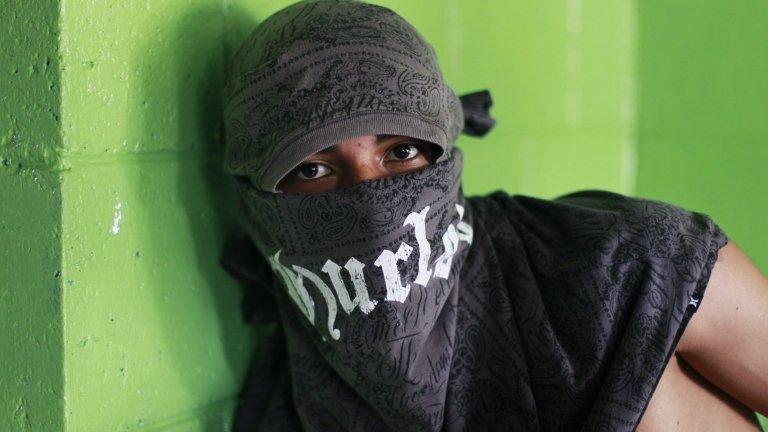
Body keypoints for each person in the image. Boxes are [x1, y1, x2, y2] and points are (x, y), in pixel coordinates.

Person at [219, 1, 768, 430]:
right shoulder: (288, 409)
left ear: (442, 151)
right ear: (258, 203)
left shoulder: (629, 265)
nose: (371, 206)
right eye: (313, 170)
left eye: (402, 151)